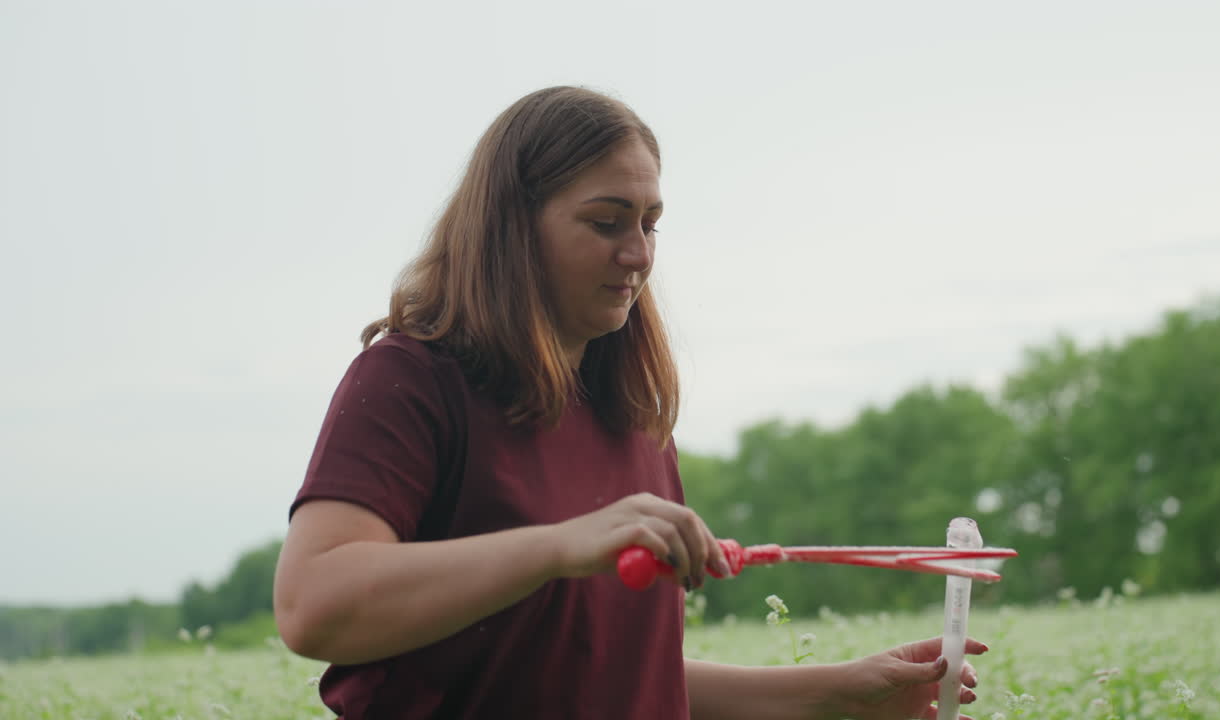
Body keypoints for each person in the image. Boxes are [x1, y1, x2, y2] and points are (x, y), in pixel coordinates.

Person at [273, 85, 987, 720]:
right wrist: (558, 547)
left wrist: (835, 696)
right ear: (512, 226)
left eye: (650, 223)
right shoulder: (411, 380)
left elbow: (615, 683)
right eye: (607, 221)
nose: (640, 253)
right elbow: (313, 607)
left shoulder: (635, 418)